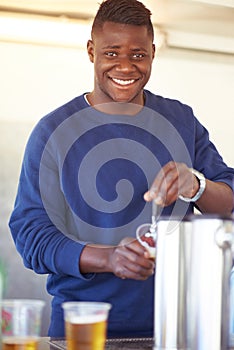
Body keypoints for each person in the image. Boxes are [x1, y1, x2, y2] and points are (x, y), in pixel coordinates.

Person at [9, 0, 233, 339]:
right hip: (86, 328)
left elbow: (229, 199)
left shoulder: (182, 121)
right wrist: (110, 258)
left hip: (179, 324)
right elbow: (32, 235)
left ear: (153, 54)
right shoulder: (55, 131)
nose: (125, 67)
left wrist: (197, 185)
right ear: (91, 51)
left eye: (138, 55)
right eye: (112, 53)